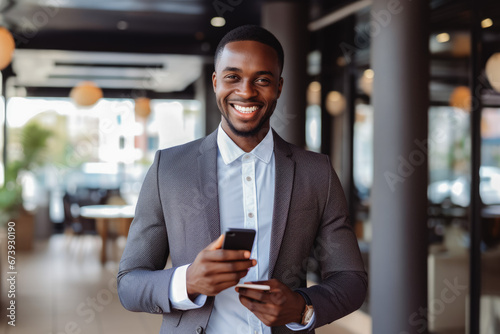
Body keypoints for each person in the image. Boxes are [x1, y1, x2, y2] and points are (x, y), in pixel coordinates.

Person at [117, 25, 367, 334]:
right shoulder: (168, 169)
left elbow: (351, 280)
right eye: (232, 77)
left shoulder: (316, 172)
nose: (246, 91)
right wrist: (187, 281)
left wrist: (301, 307)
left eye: (262, 79)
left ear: (278, 86)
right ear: (215, 82)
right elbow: (129, 284)